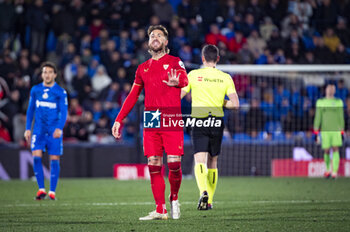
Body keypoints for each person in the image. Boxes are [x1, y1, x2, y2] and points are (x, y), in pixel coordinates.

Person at [111, 25, 188, 220]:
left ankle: (174, 197)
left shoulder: (174, 61)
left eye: (159, 35)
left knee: (174, 163)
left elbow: (185, 81)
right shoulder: (142, 68)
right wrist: (119, 119)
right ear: (148, 42)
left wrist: (176, 82)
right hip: (152, 117)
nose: (155, 37)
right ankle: (160, 209)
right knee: (153, 162)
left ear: (166, 42)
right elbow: (132, 96)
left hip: (171, 116)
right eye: (152, 35)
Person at [181, 44, 239, 210]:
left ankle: (203, 192)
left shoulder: (193, 74)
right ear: (218, 59)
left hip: (199, 120)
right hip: (217, 121)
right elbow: (235, 104)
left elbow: (179, 95)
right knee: (213, 161)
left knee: (200, 159)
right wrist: (219, 101)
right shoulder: (226, 77)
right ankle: (210, 201)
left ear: (203, 58)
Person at [24, 62, 68, 200]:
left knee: (54, 158)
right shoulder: (35, 90)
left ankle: (52, 192)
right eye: (44, 72)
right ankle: (41, 189)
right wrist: (27, 129)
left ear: (55, 74)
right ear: (42, 74)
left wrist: (60, 128)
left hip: (54, 131)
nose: (47, 75)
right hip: (39, 130)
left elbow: (64, 112)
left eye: (49, 72)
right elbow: (30, 110)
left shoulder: (60, 92)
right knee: (36, 156)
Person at [314, 83, 344, 179]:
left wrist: (342, 129)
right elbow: (318, 116)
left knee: (335, 149)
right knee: (326, 150)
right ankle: (327, 170)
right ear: (326, 90)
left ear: (334, 91)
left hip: (335, 130)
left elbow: (341, 116)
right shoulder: (320, 102)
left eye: (332, 89)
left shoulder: (339, 102)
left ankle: (334, 172)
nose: (330, 90)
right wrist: (316, 129)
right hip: (325, 130)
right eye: (329, 88)